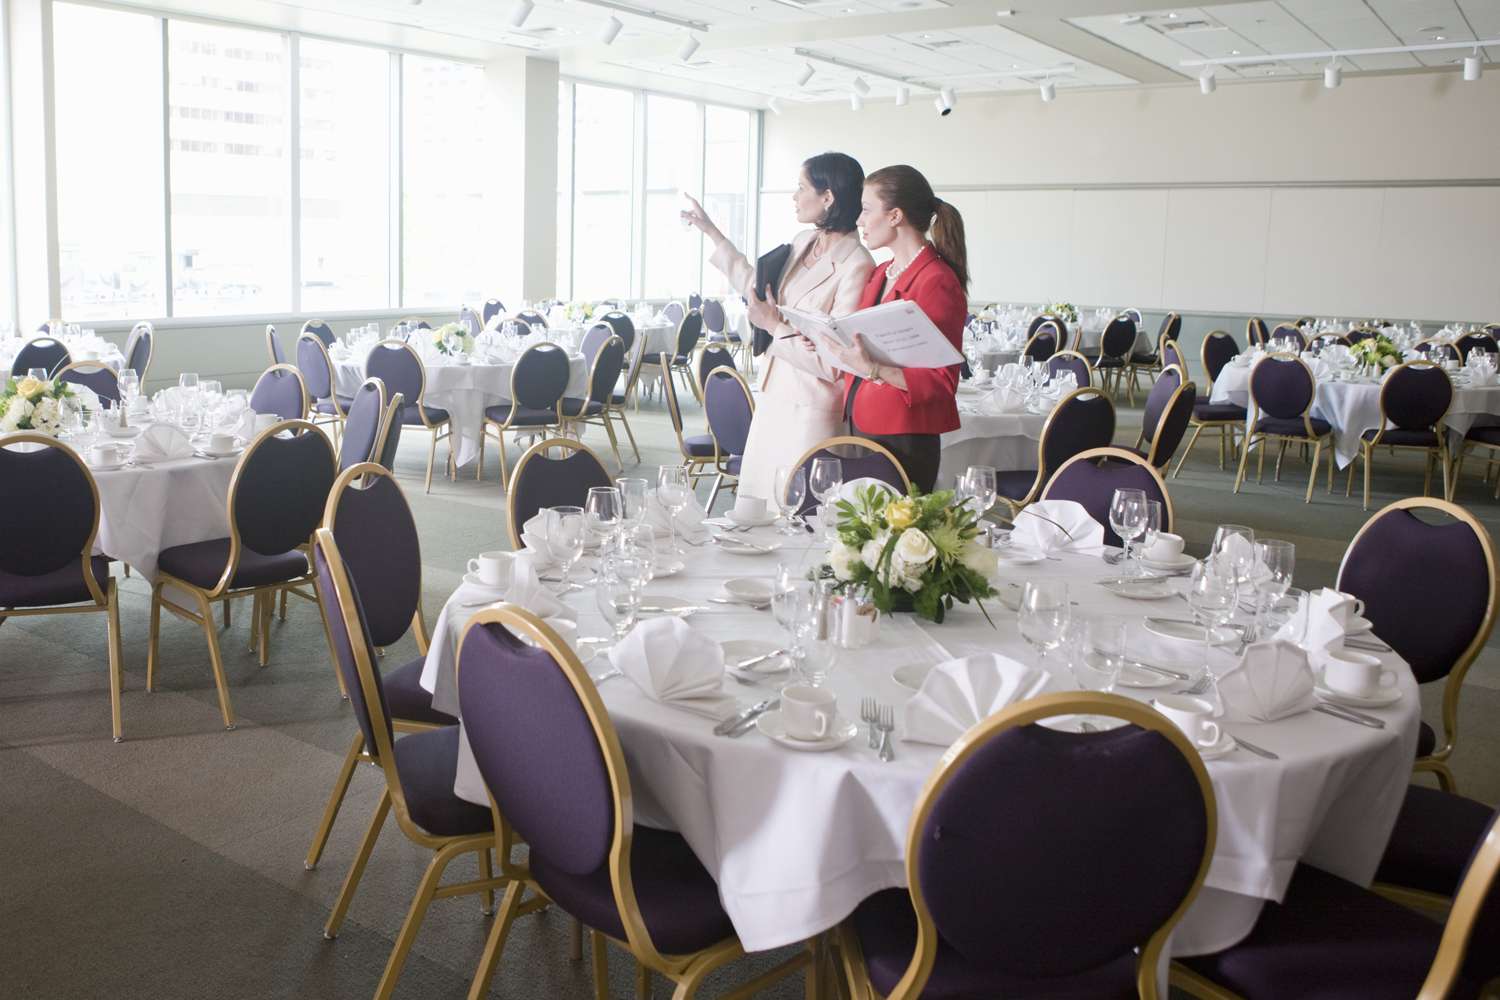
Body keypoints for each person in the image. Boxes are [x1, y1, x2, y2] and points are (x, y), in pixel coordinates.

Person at [681, 152, 873, 502]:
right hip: (771, 398)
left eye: (801, 188)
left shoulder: (857, 265)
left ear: (827, 197)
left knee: (799, 513)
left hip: (810, 410)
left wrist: (776, 328)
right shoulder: (803, 242)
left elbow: (835, 363)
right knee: (756, 510)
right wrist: (713, 234)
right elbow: (759, 290)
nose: (795, 197)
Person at [812, 164, 968, 493]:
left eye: (867, 210)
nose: (859, 220)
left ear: (895, 216)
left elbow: (942, 382)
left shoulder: (937, 281)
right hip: (862, 421)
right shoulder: (882, 272)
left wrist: (874, 369)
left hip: (904, 433)